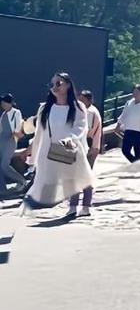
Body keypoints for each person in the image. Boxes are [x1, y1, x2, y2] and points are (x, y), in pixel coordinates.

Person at [26, 72, 95, 217]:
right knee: (66, 179)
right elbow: (39, 133)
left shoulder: (78, 106)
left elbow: (81, 126)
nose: (54, 87)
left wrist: (70, 139)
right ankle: (72, 207)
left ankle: (84, 206)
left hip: (72, 147)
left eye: (58, 83)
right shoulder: (45, 108)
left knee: (81, 177)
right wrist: (33, 155)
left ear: (68, 85)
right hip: (51, 150)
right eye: (52, 84)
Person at [115, 86, 140, 162]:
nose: (135, 94)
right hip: (129, 129)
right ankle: (135, 163)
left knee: (137, 151)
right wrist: (118, 125)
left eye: (137, 93)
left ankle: (137, 165)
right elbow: (123, 115)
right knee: (125, 150)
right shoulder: (129, 103)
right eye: (134, 93)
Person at [0, 93, 26, 193]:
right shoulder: (3, 114)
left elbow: (18, 127)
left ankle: (22, 181)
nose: (3, 105)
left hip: (10, 140)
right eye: (2, 103)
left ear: (10, 103)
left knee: (4, 165)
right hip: (2, 140)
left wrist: (16, 133)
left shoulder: (16, 112)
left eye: (4, 103)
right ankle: (2, 188)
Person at [80, 91, 104, 180]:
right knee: (86, 171)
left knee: (85, 171)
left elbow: (88, 130)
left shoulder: (90, 112)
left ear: (88, 100)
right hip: (93, 144)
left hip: (90, 144)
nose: (80, 101)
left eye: (82, 99)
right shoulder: (92, 110)